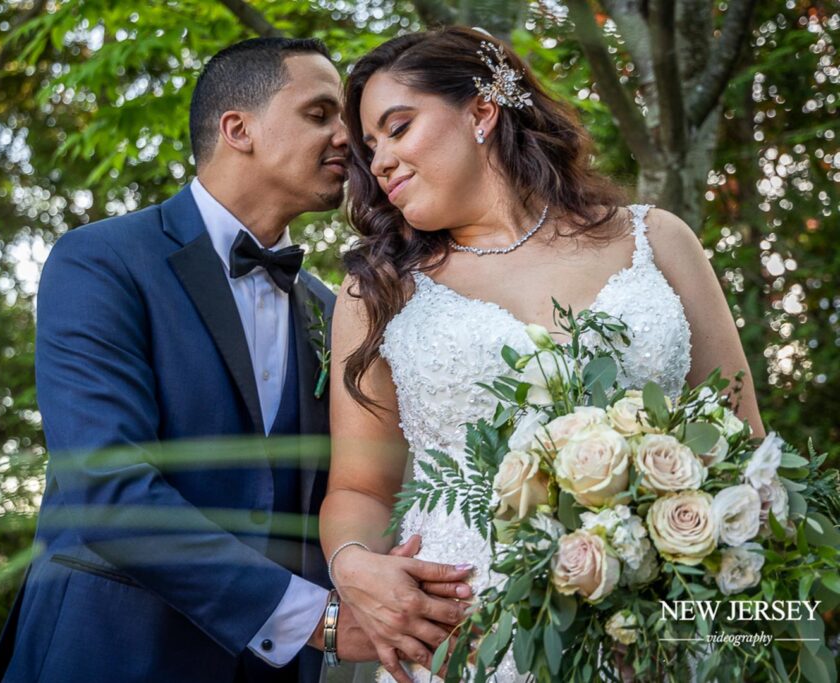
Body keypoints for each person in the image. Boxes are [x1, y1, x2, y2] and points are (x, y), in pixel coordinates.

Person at [0, 36, 472, 683]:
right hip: (108, 653)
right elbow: (106, 490)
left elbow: (354, 487)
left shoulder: (334, 309)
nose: (347, 139)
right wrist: (313, 619)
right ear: (237, 129)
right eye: (319, 113)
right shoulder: (101, 262)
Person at [320, 27, 765, 683]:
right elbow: (360, 487)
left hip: (657, 631)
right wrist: (353, 563)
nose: (380, 160)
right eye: (371, 147)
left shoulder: (657, 240)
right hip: (467, 641)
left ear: (481, 111)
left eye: (398, 128)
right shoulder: (379, 289)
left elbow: (744, 447)